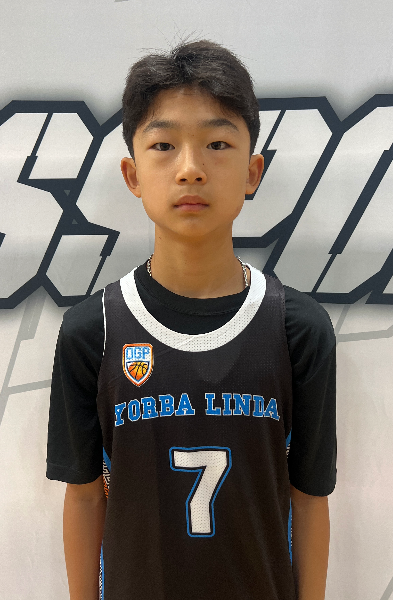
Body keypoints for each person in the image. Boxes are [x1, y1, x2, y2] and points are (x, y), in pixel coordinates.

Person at [46, 40, 336, 600]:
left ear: (253, 171)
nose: (190, 169)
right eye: (163, 145)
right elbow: (83, 496)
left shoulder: (297, 329)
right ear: (132, 174)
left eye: (217, 144)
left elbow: (309, 498)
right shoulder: (93, 331)